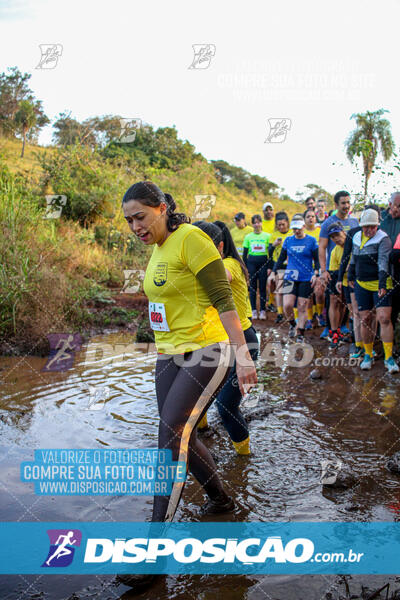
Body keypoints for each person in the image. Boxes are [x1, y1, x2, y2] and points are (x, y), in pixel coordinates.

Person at [118, 181, 258, 590]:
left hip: (208, 349)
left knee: (169, 436)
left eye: (140, 217)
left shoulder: (191, 238)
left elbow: (223, 297)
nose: (135, 226)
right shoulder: (159, 250)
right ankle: (221, 499)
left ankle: (154, 554)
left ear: (162, 208)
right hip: (170, 353)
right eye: (128, 220)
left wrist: (243, 356)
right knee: (182, 435)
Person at [194, 220, 258, 456]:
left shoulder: (229, 265)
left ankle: (244, 458)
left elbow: (220, 277)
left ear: (220, 247)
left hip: (243, 342)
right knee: (199, 392)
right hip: (218, 340)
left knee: (226, 406)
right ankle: (202, 433)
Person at [348, 208, 398, 372]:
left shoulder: (383, 238)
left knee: (384, 318)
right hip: (362, 283)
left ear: (377, 225)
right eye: (365, 227)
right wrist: (350, 275)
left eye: (372, 226)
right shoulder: (356, 236)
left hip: (380, 283)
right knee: (365, 319)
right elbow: (353, 258)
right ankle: (368, 354)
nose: (369, 230)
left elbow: (384, 262)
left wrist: (382, 284)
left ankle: (388, 358)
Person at [269, 215, 319, 342]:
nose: (296, 231)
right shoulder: (288, 240)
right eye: (294, 228)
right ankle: (292, 324)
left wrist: (316, 273)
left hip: (306, 276)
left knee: (302, 306)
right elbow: (281, 258)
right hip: (290, 275)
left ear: (303, 226)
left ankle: (301, 333)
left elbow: (317, 259)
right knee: (287, 305)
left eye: (298, 228)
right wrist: (273, 272)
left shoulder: (311, 241)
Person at [318, 191, 359, 340]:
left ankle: (343, 327)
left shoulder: (355, 222)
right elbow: (322, 247)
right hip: (334, 267)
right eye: (343, 203)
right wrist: (323, 271)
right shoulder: (328, 223)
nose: (346, 206)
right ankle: (330, 329)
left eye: (348, 202)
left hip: (352, 268)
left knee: (347, 301)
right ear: (336, 205)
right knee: (333, 299)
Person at [327, 222, 353, 349]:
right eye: (332, 237)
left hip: (353, 280)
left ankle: (347, 331)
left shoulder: (354, 244)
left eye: (337, 235)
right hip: (339, 279)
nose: (336, 239)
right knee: (334, 301)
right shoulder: (334, 251)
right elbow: (333, 270)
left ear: (344, 232)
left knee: (345, 305)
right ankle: (334, 332)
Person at [243, 214, 271, 320]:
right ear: (252, 224)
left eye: (258, 222)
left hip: (263, 262)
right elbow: (245, 254)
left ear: (261, 223)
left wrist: (269, 267)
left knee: (263, 287)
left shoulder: (267, 236)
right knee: (252, 287)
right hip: (251, 263)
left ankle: (263, 310)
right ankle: (253, 310)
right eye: (254, 223)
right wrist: (245, 267)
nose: (256, 224)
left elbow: (270, 253)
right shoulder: (248, 237)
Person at [267, 212, 292, 324]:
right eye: (279, 225)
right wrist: (273, 245)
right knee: (280, 289)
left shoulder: (292, 233)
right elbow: (269, 252)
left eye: (283, 224)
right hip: (279, 264)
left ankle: (291, 314)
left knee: (290, 290)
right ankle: (280, 313)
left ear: (287, 223)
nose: (281, 227)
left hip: (291, 265)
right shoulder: (274, 235)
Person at [381, 192, 400, 335]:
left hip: (398, 269)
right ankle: (386, 343)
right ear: (390, 205)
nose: (398, 210)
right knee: (388, 310)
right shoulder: (382, 221)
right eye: (397, 206)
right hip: (384, 270)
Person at [303, 208, 324, 328]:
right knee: (308, 295)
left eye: (312, 216)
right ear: (304, 220)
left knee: (319, 292)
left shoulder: (320, 231)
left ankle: (320, 314)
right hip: (305, 268)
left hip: (319, 266)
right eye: (308, 217)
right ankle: (310, 318)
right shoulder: (301, 232)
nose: (311, 218)